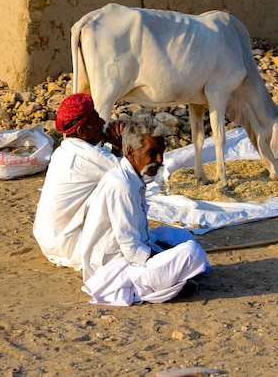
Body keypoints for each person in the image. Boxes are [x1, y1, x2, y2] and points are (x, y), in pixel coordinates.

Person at [77, 115, 210, 306]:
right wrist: (161, 256)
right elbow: (131, 249)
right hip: (115, 270)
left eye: (162, 152)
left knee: (182, 238)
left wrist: (163, 250)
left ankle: (173, 278)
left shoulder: (132, 177)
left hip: (131, 253)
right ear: (130, 152)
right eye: (152, 152)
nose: (160, 160)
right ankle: (161, 284)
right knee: (191, 251)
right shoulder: (121, 186)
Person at [33, 93, 123, 269]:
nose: (103, 123)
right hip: (68, 245)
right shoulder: (89, 157)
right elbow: (131, 177)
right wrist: (118, 146)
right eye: (96, 119)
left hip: (48, 240)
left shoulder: (63, 150)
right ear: (82, 131)